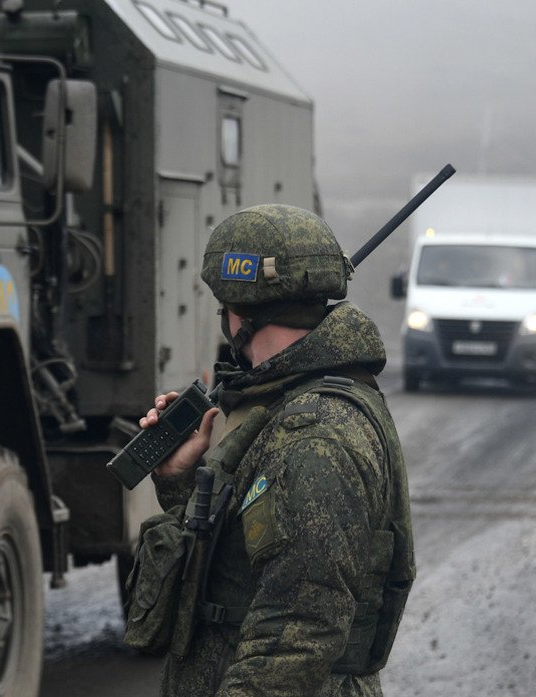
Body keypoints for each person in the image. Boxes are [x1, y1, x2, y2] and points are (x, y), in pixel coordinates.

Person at [135, 204, 415, 696]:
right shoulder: (281, 405)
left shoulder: (317, 435)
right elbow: (238, 568)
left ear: (238, 312)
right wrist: (181, 480)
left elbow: (298, 631)